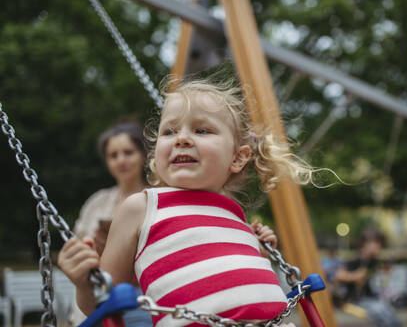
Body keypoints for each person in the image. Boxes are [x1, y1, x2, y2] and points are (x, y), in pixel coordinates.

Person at [58, 77, 320, 326]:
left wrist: (258, 252)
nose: (181, 138)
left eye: (201, 130)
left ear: (238, 158)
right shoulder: (143, 206)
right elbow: (103, 302)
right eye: (169, 131)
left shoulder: (235, 215)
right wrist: (83, 282)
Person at [70, 120, 152, 326]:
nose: (121, 160)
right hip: (96, 297)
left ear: (142, 154)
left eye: (128, 152)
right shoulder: (97, 202)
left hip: (142, 300)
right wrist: (93, 246)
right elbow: (77, 245)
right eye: (113, 156)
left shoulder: (154, 198)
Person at [333, 229, 402, 327]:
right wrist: (355, 276)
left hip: (372, 299)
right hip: (355, 300)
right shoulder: (355, 260)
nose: (378, 246)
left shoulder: (374, 261)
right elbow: (338, 275)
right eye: (376, 243)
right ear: (364, 244)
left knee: (391, 316)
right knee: (381, 312)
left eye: (379, 243)